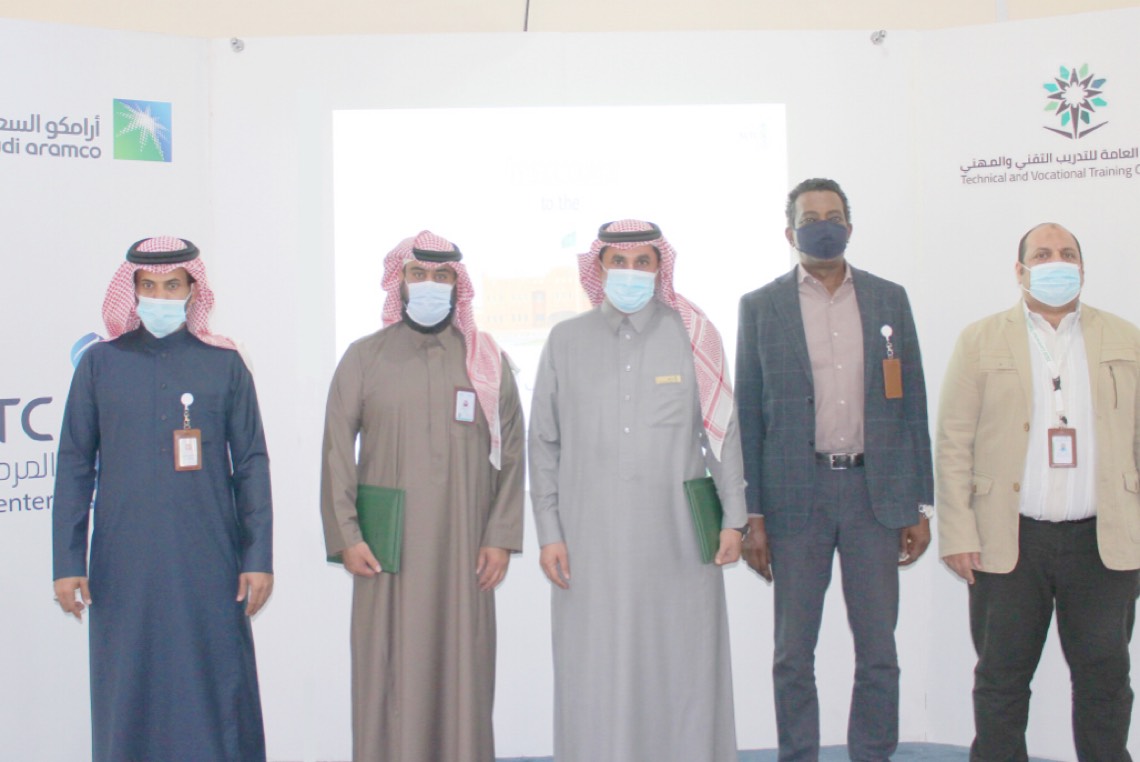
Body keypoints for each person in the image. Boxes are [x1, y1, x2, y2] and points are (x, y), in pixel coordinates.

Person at [529, 219, 746, 762]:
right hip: (588, 544)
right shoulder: (565, 340)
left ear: (660, 268)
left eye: (643, 262)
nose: (630, 272)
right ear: (599, 267)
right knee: (593, 670)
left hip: (677, 544)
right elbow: (544, 445)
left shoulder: (693, 336)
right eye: (619, 262)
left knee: (682, 669)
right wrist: (550, 532)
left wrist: (734, 520)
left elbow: (723, 435)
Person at [52, 236, 274, 762]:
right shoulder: (99, 365)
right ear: (131, 291)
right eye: (148, 286)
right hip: (122, 564)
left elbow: (251, 464)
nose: (159, 296)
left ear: (192, 289)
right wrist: (67, 563)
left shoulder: (225, 364)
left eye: (171, 285)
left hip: (209, 561)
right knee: (128, 687)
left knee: (213, 685)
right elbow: (75, 465)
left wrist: (257, 557)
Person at [735, 178, 934, 761]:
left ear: (849, 226)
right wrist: (752, 514)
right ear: (789, 231)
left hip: (876, 495)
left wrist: (920, 503)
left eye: (833, 215)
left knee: (879, 651)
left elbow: (912, 402)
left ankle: (872, 753)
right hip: (797, 498)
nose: (823, 225)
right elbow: (749, 414)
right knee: (793, 654)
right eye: (810, 217)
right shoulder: (760, 306)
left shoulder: (889, 299)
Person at [937, 222, 1140, 760]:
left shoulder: (1126, 338)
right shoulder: (980, 340)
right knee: (1001, 679)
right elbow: (954, 442)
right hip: (1008, 540)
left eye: (1067, 254)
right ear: (1020, 269)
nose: (1057, 262)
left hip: (1103, 543)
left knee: (1106, 679)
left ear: (1082, 268)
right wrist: (958, 532)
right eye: (1043, 254)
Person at [320, 230, 524, 762]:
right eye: (418, 274)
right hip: (388, 554)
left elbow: (513, 452)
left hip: (465, 549)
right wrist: (347, 536)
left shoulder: (486, 362)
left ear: (458, 284)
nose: (430, 284)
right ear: (401, 282)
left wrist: (500, 537)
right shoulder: (364, 357)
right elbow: (337, 451)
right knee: (387, 672)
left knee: (464, 672)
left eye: (442, 275)